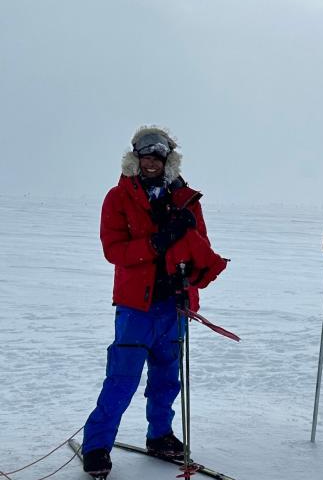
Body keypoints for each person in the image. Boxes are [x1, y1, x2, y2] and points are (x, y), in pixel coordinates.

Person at [81, 126, 228, 478]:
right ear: (135, 159)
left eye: (157, 158)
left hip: (172, 306)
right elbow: (113, 250)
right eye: (145, 157)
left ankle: (159, 435)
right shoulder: (118, 198)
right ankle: (97, 446)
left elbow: (200, 249)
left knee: (166, 378)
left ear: (167, 161)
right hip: (135, 308)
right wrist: (156, 243)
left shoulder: (186, 200)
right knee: (122, 379)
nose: (150, 164)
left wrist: (191, 289)